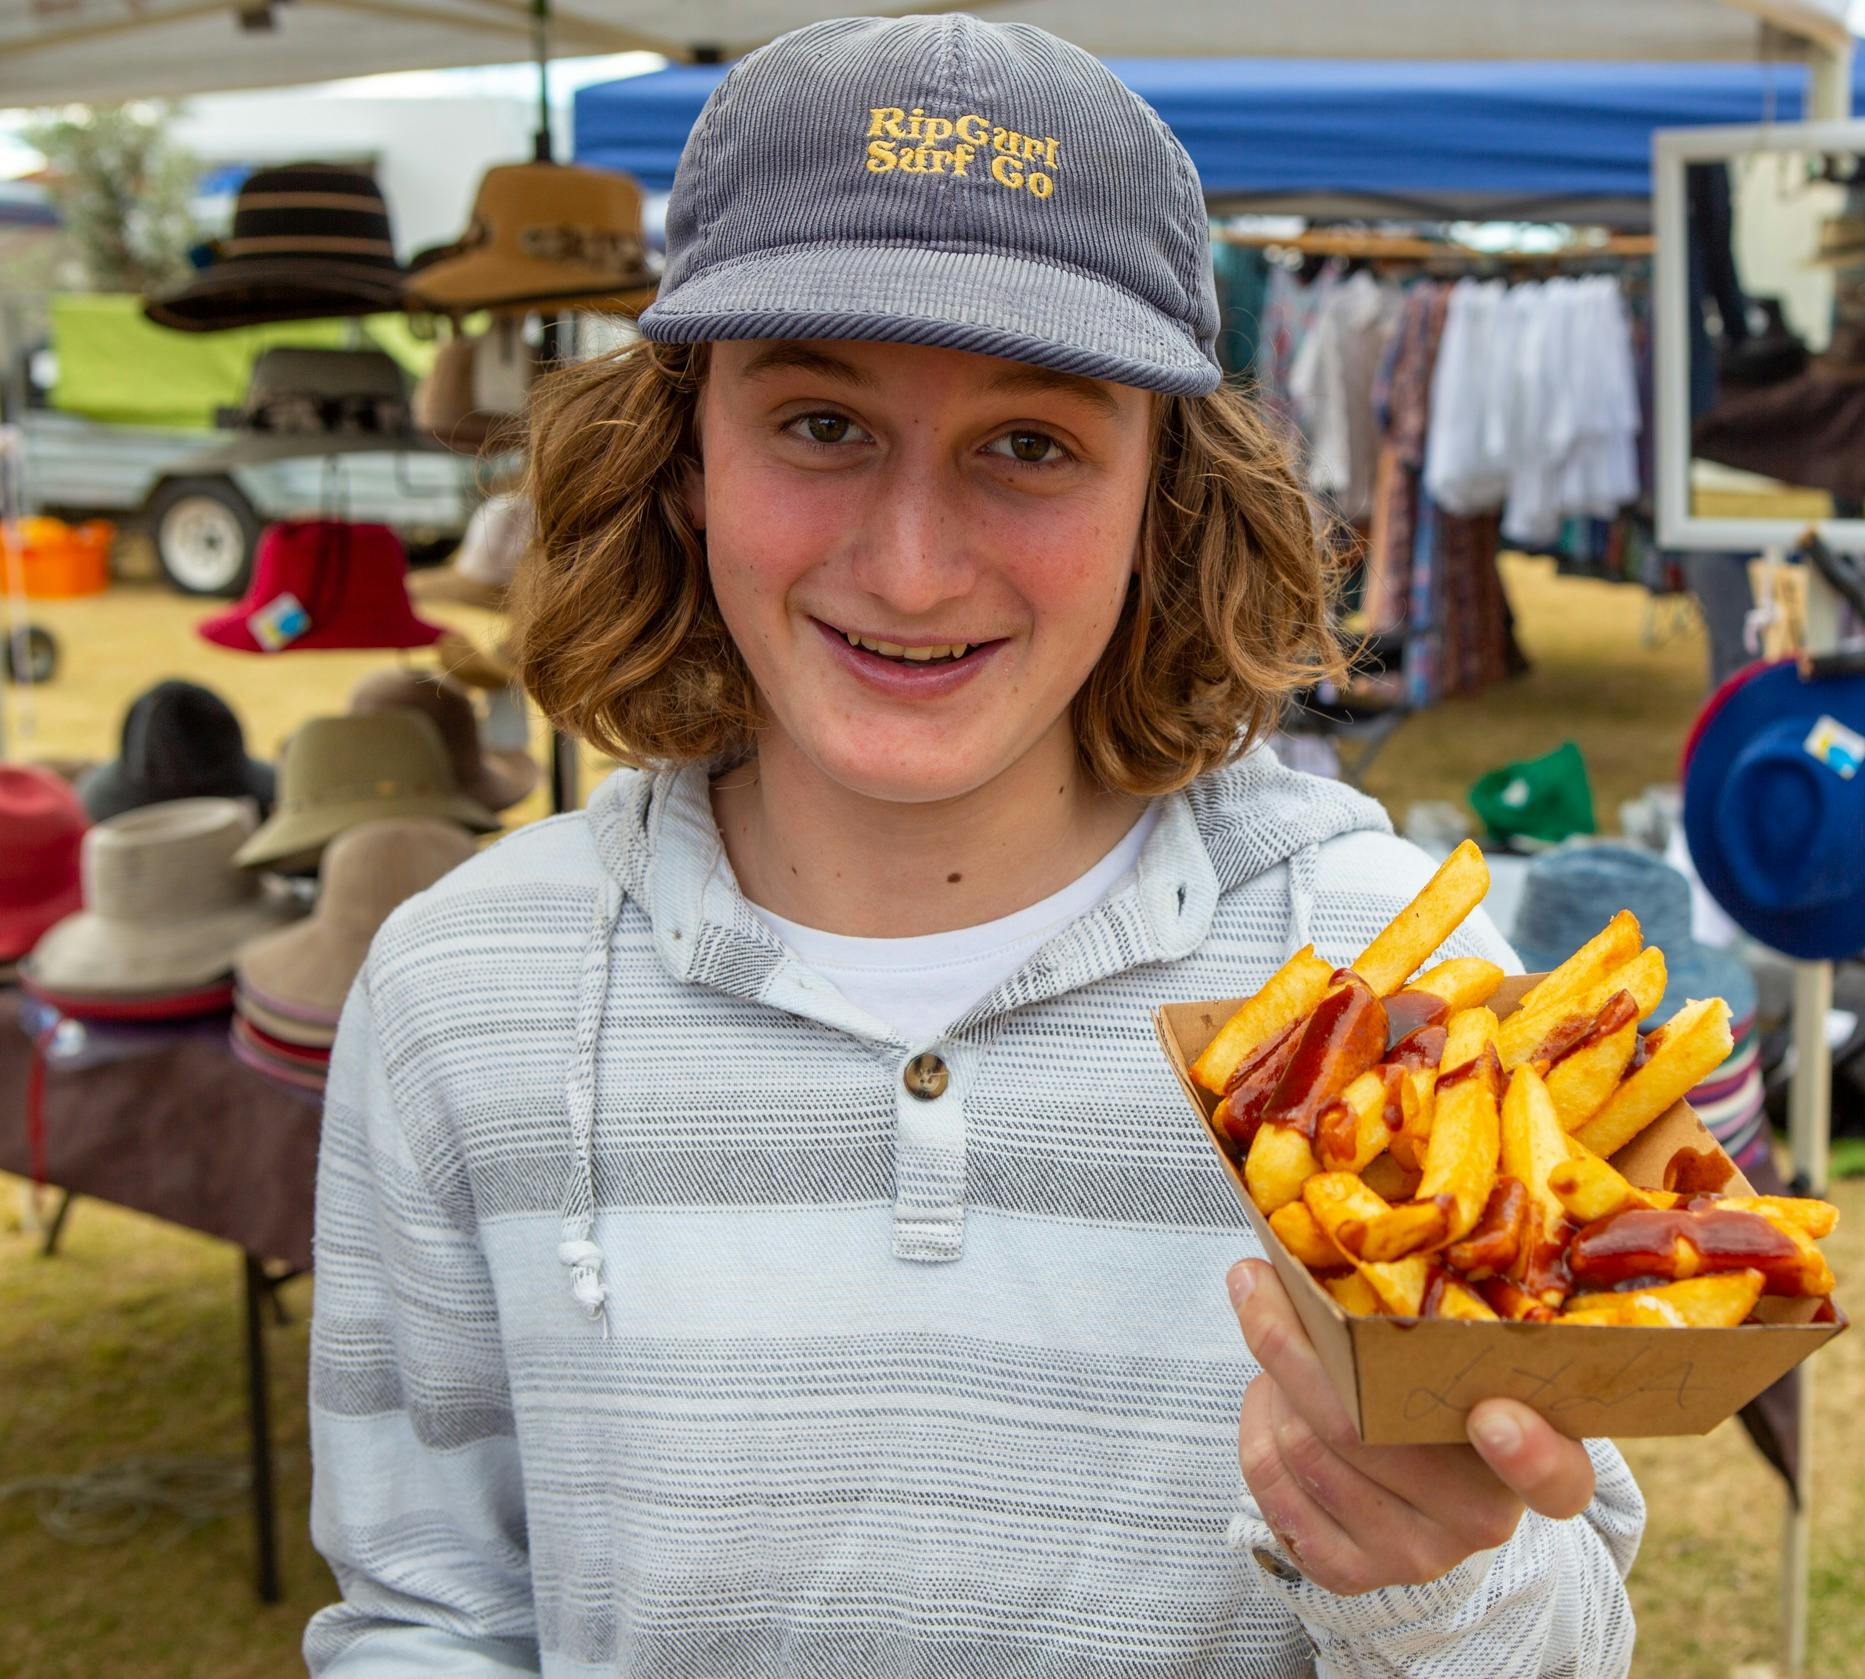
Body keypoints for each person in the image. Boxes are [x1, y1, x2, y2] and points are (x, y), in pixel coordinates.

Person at [303, 16, 1643, 1676]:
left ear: (1169, 490)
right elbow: (430, 1617)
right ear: (683, 457)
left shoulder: (1387, 965)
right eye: (819, 424)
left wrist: (1441, 1586)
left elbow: (1574, 1622)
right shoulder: (459, 992)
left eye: (1031, 444)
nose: (916, 567)